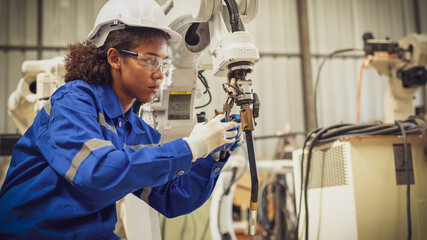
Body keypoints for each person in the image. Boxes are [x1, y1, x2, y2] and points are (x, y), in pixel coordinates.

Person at [0, 0, 244, 239]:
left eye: (163, 62)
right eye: (150, 60)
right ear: (114, 57)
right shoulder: (73, 101)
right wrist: (193, 146)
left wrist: (212, 153)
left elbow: (173, 197)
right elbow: (96, 172)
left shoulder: (133, 129)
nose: (160, 74)